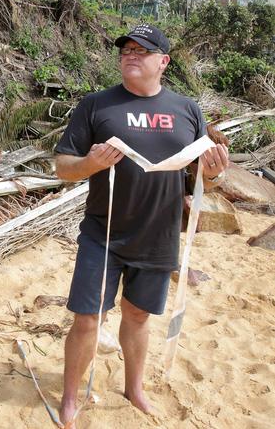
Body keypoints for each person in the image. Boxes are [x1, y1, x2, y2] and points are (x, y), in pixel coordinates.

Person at [53, 24, 229, 425]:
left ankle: (134, 389)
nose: (131, 55)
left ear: (163, 62)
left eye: (142, 50)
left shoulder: (187, 110)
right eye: (126, 49)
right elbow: (64, 168)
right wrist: (91, 164)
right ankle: (68, 397)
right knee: (87, 318)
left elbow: (197, 175)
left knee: (137, 317)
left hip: (159, 235)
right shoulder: (96, 105)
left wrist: (215, 176)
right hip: (104, 233)